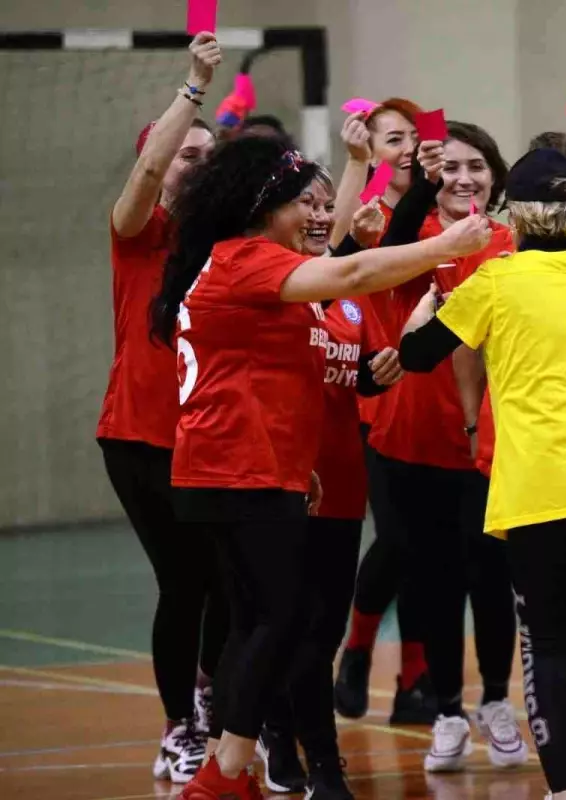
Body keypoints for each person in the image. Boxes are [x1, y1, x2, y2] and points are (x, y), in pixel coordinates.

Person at [150, 134, 491, 800]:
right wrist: (445, 247)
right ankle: (223, 777)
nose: (312, 217)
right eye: (297, 204)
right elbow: (355, 273)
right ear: (259, 206)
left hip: (241, 469)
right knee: (278, 621)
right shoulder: (245, 258)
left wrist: (298, 459)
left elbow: (277, 371)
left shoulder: (240, 264)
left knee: (256, 622)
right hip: (237, 469)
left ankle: (233, 766)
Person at [397, 147, 566, 800]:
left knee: (549, 641)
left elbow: (418, 356)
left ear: (513, 215)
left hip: (540, 490)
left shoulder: (495, 281)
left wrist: (430, 295)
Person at [338, 121, 528, 772]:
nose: (463, 177)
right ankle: (446, 709)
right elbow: (382, 245)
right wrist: (415, 183)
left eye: (476, 165)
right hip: (406, 441)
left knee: (490, 580)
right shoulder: (409, 241)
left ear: (496, 177)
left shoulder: (510, 245)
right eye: (449, 167)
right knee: (432, 581)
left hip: (486, 444)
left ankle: (497, 701)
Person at [95, 33, 226, 785]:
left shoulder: (233, 240)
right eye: (186, 153)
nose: (194, 163)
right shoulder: (140, 230)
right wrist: (195, 88)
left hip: (218, 436)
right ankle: (181, 723)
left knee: (232, 582)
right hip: (142, 438)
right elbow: (149, 170)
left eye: (208, 156)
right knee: (185, 582)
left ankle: (208, 690)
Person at [253, 169, 401, 799]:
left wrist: (377, 373)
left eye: (324, 204)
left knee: (322, 631)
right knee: (291, 626)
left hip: (341, 486)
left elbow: (352, 375)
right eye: (304, 204)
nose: (318, 214)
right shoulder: (267, 289)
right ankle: (316, 759)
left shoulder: (345, 298)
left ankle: (284, 728)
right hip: (279, 485)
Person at [331, 97, 439, 726]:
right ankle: (357, 651)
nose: (403, 148)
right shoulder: (365, 218)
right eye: (390, 138)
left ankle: (414, 683)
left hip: (442, 403)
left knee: (435, 551)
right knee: (397, 542)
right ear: (367, 148)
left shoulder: (447, 214)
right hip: (376, 399)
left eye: (412, 137)